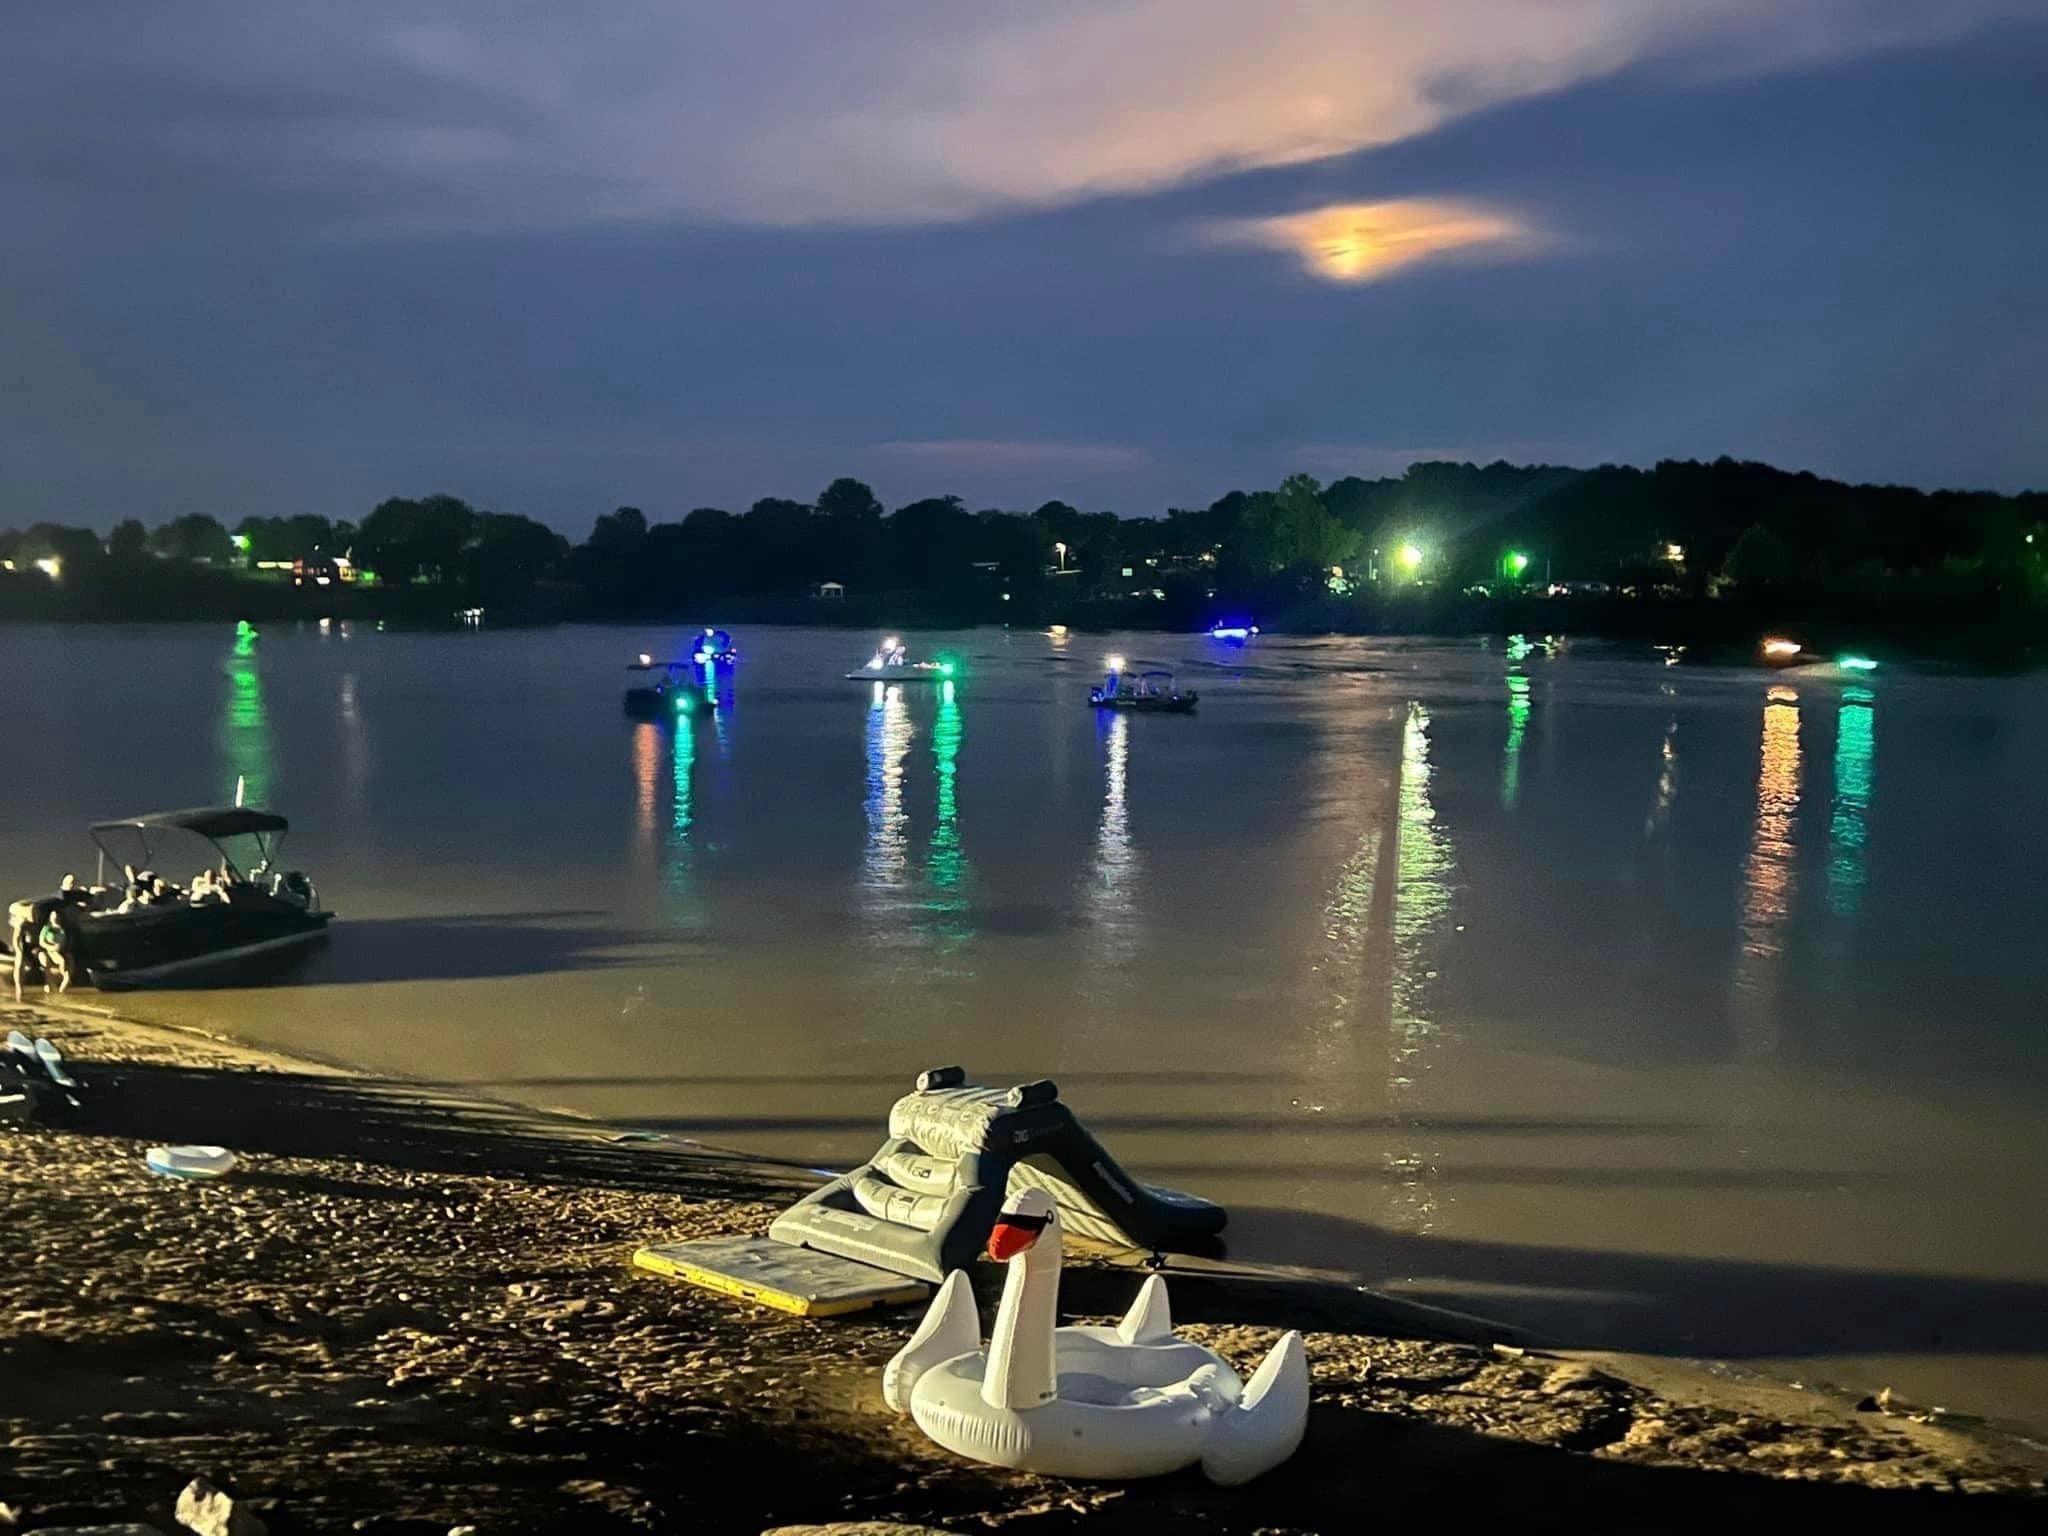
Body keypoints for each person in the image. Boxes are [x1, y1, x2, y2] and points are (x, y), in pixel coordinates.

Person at [36, 911, 71, 995]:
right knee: (47, 963)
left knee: (64, 963)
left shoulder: (62, 929)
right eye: (53, 915)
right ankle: (50, 984)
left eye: (57, 916)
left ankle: (61, 991)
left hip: (59, 952)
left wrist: (60, 947)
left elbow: (64, 942)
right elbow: (41, 942)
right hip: (48, 951)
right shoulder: (47, 928)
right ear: (50, 917)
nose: (55, 918)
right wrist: (50, 947)